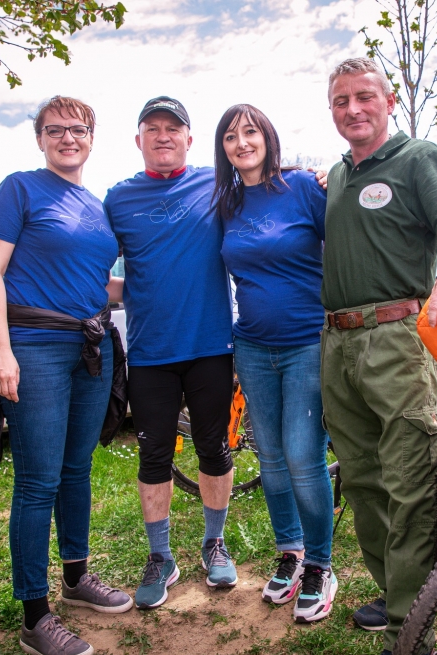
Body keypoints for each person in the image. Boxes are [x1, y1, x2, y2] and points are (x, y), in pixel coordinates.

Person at [320, 57, 437, 655]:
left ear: (389, 102)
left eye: (365, 96)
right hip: (336, 342)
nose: (353, 109)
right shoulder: (338, 175)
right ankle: (396, 596)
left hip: (396, 340)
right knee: (363, 481)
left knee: (410, 481)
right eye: (341, 101)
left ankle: (410, 635)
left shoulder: (420, 159)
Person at [0, 95, 131, 655]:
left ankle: (76, 576)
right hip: (35, 346)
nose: (69, 138)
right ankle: (34, 615)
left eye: (79, 129)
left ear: (92, 137)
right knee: (38, 481)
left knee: (76, 468)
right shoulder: (19, 189)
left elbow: (96, 281)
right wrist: (1, 351)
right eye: (56, 129)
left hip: (91, 345)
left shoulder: (96, 206)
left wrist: (160, 281)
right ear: (40, 138)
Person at [103, 97, 242, 609]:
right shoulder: (118, 199)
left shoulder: (217, 183)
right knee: (154, 455)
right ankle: (160, 556)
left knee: (214, 448)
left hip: (210, 346)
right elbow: (92, 264)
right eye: (153, 128)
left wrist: (315, 176)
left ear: (189, 138)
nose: (163, 135)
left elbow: (267, 185)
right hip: (150, 353)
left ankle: (214, 543)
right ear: (138, 139)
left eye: (173, 128)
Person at [212, 104, 336, 622]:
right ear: (222, 148)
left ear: (267, 137)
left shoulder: (304, 188)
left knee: (304, 456)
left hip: (308, 342)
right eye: (230, 136)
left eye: (250, 132)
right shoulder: (226, 203)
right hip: (253, 348)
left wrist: (336, 176)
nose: (241, 143)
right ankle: (291, 553)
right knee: (271, 458)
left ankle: (321, 565)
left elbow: (345, 241)